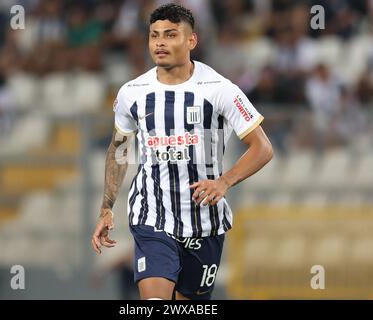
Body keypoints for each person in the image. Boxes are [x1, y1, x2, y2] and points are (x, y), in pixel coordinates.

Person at [91, 3, 273, 300]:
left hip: (205, 224)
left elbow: (263, 148)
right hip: (152, 218)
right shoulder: (132, 93)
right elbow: (119, 150)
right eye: (154, 36)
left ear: (191, 41)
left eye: (171, 35)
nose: (160, 43)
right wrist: (106, 207)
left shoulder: (219, 89)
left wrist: (224, 182)